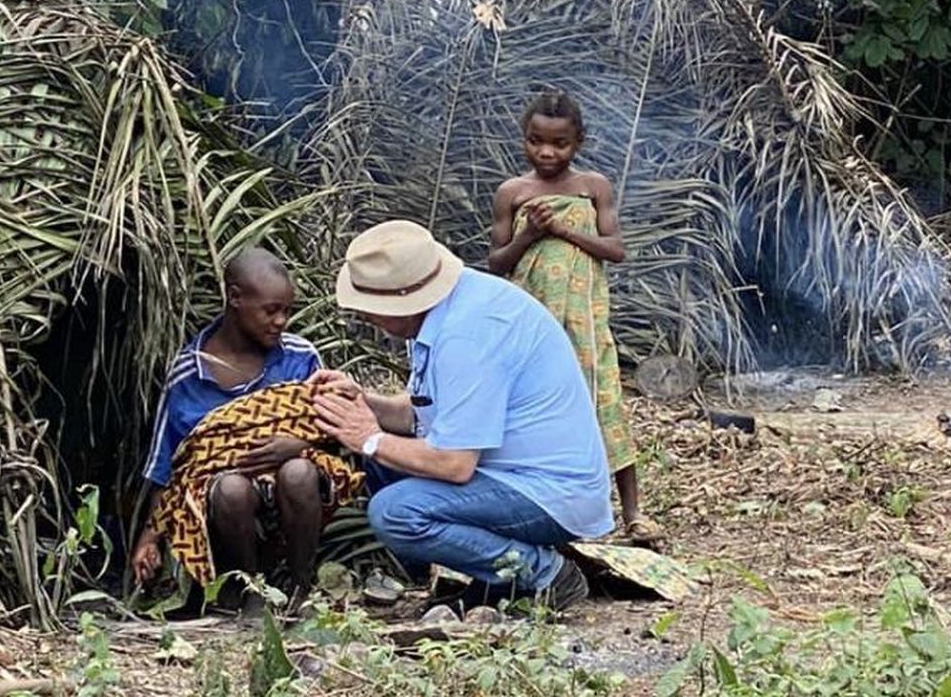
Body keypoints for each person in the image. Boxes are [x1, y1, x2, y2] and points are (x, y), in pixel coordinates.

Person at [313, 220, 612, 609]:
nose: (367, 317)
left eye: (372, 309)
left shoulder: (467, 336)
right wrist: (364, 403)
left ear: (404, 300)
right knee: (385, 468)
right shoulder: (446, 311)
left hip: (548, 492)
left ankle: (544, 575)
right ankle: (501, 582)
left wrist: (369, 438)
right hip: (517, 478)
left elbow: (455, 464)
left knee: (396, 511)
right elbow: (425, 413)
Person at [131, 248, 355, 608]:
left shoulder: (301, 358)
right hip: (219, 508)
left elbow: (336, 435)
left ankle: (300, 588)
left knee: (298, 473)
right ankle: (250, 591)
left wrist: (297, 446)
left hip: (294, 500)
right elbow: (167, 466)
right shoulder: (190, 374)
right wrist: (149, 538)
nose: (281, 321)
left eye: (287, 311)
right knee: (232, 489)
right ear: (234, 297)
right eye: (271, 310)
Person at [488, 89, 657, 545]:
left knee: (603, 401)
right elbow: (496, 264)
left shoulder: (593, 187)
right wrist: (529, 235)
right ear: (524, 139)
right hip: (533, 323)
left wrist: (561, 228)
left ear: (578, 142)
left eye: (559, 143)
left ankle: (634, 513)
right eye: (535, 140)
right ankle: (552, 508)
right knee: (536, 410)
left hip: (585, 320)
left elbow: (616, 250)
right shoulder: (512, 194)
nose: (546, 151)